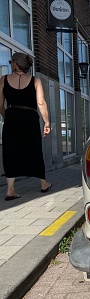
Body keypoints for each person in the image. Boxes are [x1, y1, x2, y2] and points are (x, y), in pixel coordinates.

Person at [0, 52, 52, 201]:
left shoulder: (3, 79)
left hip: (11, 116)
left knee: (10, 151)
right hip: (30, 118)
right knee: (34, 149)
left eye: (11, 62)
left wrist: (6, 115)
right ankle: (43, 183)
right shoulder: (35, 81)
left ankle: (10, 190)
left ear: (16, 64)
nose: (10, 64)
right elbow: (41, 103)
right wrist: (47, 122)